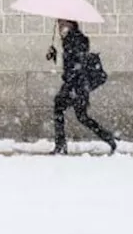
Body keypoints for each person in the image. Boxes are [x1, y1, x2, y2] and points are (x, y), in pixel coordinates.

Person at [46, 18, 117, 155]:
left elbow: (77, 64)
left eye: (63, 24)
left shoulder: (77, 40)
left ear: (71, 24)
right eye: (59, 24)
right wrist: (54, 52)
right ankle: (108, 137)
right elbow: (70, 63)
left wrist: (71, 83)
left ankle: (61, 146)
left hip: (76, 84)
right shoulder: (70, 40)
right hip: (76, 84)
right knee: (81, 116)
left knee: (62, 109)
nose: (61, 27)